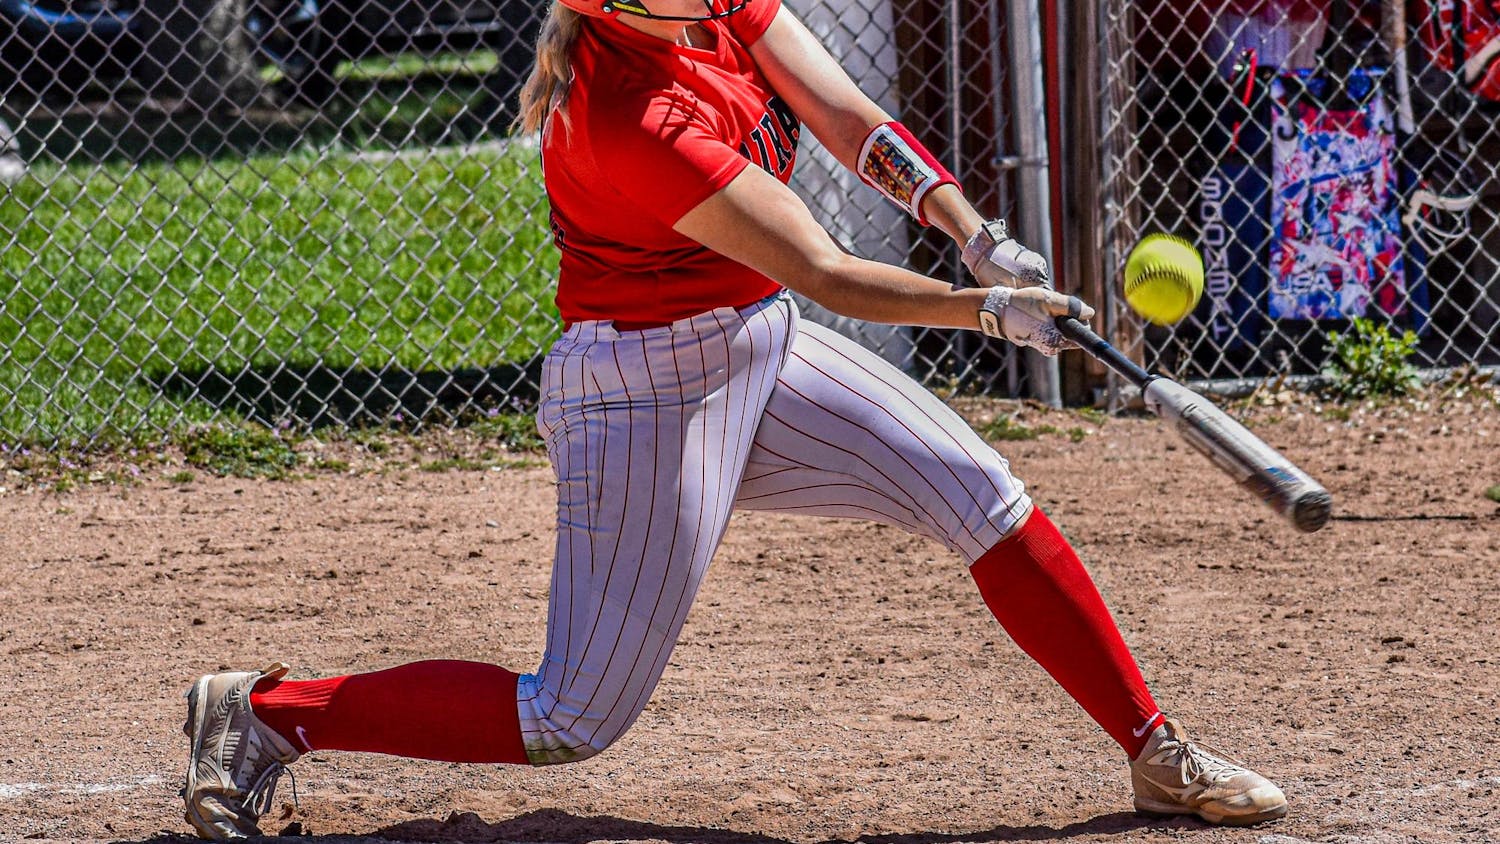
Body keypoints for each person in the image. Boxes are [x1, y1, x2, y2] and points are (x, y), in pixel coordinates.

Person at [179, 0, 1289, 837]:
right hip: (643, 391)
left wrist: (971, 227)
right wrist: (987, 312)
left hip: (758, 341)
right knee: (570, 714)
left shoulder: (713, 5)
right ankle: (273, 712)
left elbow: (853, 119)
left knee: (982, 496)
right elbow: (825, 267)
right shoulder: (625, 114)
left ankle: (1154, 750)